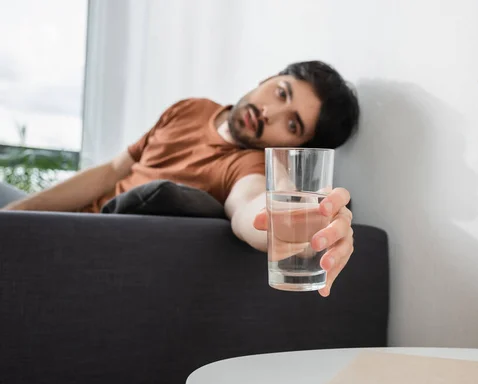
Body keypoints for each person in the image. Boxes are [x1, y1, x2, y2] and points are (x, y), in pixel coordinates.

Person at [0, 60, 360, 297]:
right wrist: (17, 213)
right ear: (267, 79)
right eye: (281, 92)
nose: (269, 112)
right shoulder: (192, 108)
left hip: (75, 244)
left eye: (292, 124)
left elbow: (249, 212)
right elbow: (112, 171)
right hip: (53, 216)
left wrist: (306, 225)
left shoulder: (246, 167)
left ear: (296, 147)